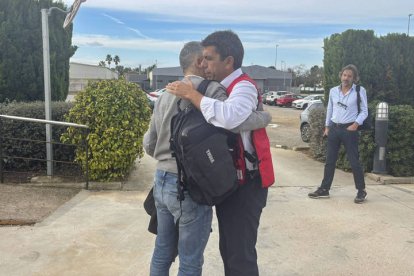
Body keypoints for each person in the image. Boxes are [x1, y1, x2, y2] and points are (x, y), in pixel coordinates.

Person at [143, 41, 271, 276]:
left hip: (160, 181)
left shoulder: (164, 95)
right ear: (198, 62)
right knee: (190, 260)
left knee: (162, 250)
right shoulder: (210, 90)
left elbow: (148, 144)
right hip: (188, 184)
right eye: (205, 59)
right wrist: (263, 116)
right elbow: (233, 121)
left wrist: (165, 158)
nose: (208, 64)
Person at [308, 64, 368, 204]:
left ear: (354, 78)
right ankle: (324, 189)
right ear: (341, 75)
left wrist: (355, 124)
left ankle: (361, 190)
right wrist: (327, 126)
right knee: (329, 161)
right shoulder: (333, 91)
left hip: (349, 129)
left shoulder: (359, 91)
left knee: (354, 161)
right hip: (334, 129)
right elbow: (330, 108)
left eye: (349, 76)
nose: (346, 78)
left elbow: (364, 111)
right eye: (344, 75)